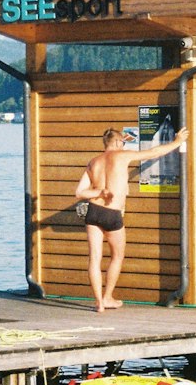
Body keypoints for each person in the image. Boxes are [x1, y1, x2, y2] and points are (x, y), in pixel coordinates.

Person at [74, 124, 189, 312]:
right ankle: (108, 297)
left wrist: (100, 192)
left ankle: (99, 303)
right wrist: (177, 141)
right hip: (112, 213)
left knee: (94, 258)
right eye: (123, 142)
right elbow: (154, 152)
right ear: (118, 142)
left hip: (93, 211)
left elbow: (79, 193)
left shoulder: (93, 162)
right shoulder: (123, 155)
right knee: (117, 256)